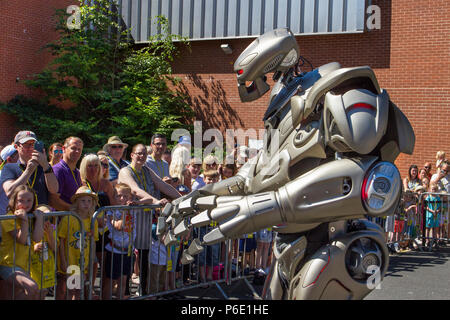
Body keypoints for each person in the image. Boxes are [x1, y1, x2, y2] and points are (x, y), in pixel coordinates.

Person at [117, 144, 180, 295]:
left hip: (146, 216)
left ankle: (144, 292)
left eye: (144, 154)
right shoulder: (126, 171)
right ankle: (125, 293)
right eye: (138, 153)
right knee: (129, 255)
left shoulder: (146, 169)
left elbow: (162, 185)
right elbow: (134, 189)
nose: (142, 156)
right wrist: (155, 202)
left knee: (144, 254)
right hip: (131, 217)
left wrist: (183, 198)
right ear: (131, 155)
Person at [0, 185, 44, 300]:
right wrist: (24, 221)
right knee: (33, 288)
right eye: (21, 200)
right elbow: (22, 240)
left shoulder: (30, 216)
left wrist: (39, 220)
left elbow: (37, 238)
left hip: (24, 264)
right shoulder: (9, 217)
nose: (25, 204)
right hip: (8, 264)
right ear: (14, 201)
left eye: (29, 200)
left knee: (14, 296)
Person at [56, 186, 99, 300]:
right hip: (70, 261)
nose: (86, 204)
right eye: (83, 200)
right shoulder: (69, 219)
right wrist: (63, 261)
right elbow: (61, 240)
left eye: (89, 201)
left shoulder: (92, 221)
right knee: (68, 290)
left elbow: (93, 241)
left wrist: (91, 260)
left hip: (83, 262)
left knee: (79, 291)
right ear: (76, 202)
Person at [80, 154, 115, 287]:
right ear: (84, 167)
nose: (93, 169)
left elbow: (113, 205)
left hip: (104, 230)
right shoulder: (81, 183)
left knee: (103, 263)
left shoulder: (106, 183)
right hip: (86, 229)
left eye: (96, 165)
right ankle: (86, 291)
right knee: (87, 262)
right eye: (89, 165)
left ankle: (99, 291)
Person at [1, 131, 59, 207]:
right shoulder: (9, 167)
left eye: (33, 144)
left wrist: (45, 165)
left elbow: (54, 190)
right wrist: (29, 170)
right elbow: (10, 192)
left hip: (42, 216)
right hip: (21, 216)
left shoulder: (44, 167)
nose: (31, 148)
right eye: (26, 145)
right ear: (16, 147)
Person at [102, 183, 136, 300]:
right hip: (114, 250)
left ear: (130, 197)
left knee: (123, 281)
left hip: (127, 251)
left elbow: (149, 200)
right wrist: (124, 211)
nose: (122, 199)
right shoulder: (112, 211)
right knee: (110, 282)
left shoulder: (132, 209)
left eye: (125, 196)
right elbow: (118, 226)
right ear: (114, 197)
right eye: (119, 196)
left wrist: (136, 203)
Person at [197, 170, 222, 286]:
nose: (211, 181)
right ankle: (202, 278)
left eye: (214, 179)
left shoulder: (219, 193)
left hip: (214, 226)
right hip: (202, 226)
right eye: (209, 179)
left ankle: (209, 276)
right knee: (202, 252)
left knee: (213, 252)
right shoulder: (199, 192)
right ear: (204, 179)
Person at [30, 204, 57, 299]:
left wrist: (49, 234)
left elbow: (54, 248)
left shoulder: (51, 230)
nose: (46, 221)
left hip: (46, 269)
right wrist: (34, 247)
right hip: (33, 270)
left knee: (43, 293)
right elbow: (23, 248)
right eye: (44, 218)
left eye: (48, 218)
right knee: (33, 293)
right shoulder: (31, 231)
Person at [50, 137, 83, 211]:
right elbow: (53, 200)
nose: (77, 151)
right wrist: (74, 210)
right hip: (60, 220)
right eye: (73, 148)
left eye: (79, 149)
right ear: (64, 149)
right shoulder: (58, 170)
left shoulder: (77, 172)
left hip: (73, 220)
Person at [0, 145, 19, 215]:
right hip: (4, 221)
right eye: (18, 156)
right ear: (9, 159)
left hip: (16, 220)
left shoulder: (20, 173)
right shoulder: (1, 175)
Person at [424, 183, 441, 251]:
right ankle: (427, 241)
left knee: (435, 228)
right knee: (428, 228)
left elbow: (440, 207)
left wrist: (437, 211)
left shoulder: (438, 198)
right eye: (432, 189)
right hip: (429, 215)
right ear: (429, 190)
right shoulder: (428, 198)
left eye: (435, 189)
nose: (433, 190)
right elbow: (426, 207)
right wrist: (432, 211)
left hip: (436, 215)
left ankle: (434, 241)